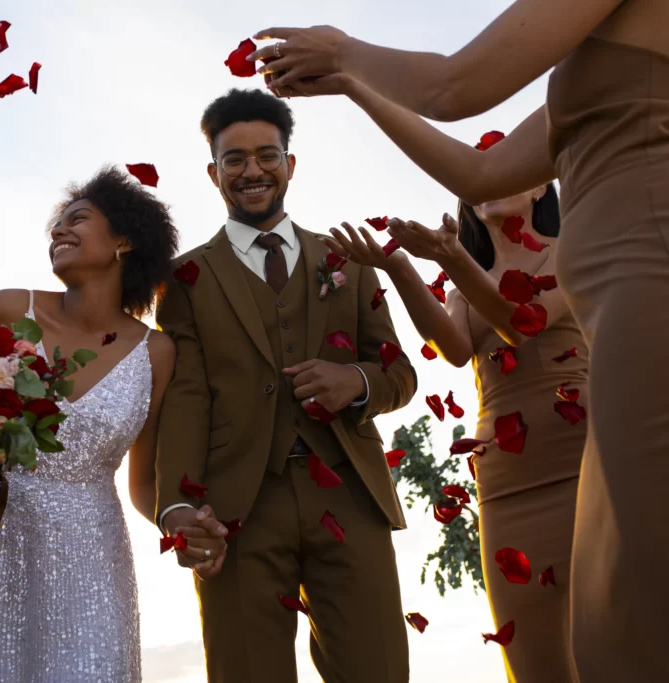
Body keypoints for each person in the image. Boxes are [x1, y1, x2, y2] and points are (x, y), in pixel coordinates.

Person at [248, 5, 669, 678]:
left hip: (647, 289)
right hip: (609, 322)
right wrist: (356, 86)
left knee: (636, 613)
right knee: (606, 633)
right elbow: (473, 175)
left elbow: (454, 87)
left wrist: (345, 50)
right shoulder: (582, 84)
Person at [155, 88, 416, 683]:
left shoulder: (348, 261)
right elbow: (186, 396)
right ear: (213, 173)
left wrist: (353, 379)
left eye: (267, 155)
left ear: (290, 164)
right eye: (235, 159)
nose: (253, 170)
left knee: (378, 670)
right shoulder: (185, 279)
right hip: (236, 506)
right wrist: (177, 505)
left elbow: (400, 374)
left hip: (349, 494)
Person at [322, 175, 585, 682]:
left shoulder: (569, 245)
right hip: (507, 481)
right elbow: (455, 348)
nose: (488, 180)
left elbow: (521, 321)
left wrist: (450, 258)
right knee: (532, 659)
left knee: (609, 640)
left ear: (538, 191)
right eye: (475, 175)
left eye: (506, 168)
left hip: (585, 460)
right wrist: (398, 265)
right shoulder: (471, 273)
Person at [0, 166, 178, 683]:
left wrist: (180, 522)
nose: (59, 231)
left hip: (94, 558)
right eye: (55, 226)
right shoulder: (10, 308)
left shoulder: (156, 351)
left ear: (124, 241)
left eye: (78, 220)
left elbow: (144, 484)